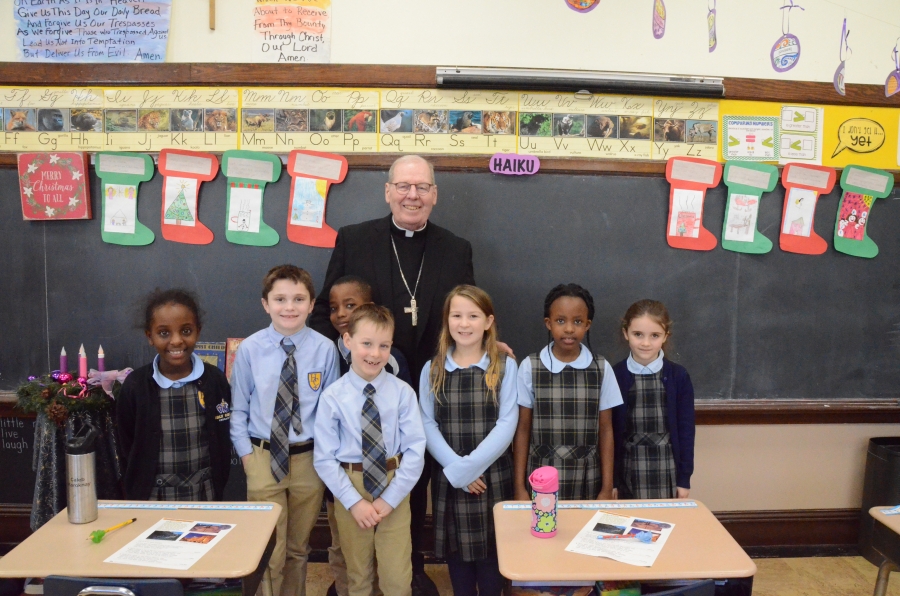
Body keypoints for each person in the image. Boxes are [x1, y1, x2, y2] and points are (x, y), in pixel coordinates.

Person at [310, 155, 475, 596]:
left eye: (422, 187)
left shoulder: (456, 248)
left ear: (434, 195)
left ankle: (411, 566)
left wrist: (485, 341)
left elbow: (465, 311)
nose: (412, 195)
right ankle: (356, 573)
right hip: (363, 383)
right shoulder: (354, 239)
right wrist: (338, 368)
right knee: (355, 473)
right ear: (387, 191)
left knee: (414, 471)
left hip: (430, 381)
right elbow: (329, 311)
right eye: (403, 186)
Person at [230, 265, 339, 596]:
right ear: (266, 304)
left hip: (309, 460)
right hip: (263, 457)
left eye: (298, 299)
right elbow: (239, 408)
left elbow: (330, 411)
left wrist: (325, 457)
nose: (289, 307)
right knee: (269, 551)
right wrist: (247, 457)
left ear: (311, 303)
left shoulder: (325, 349)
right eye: (280, 299)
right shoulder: (249, 349)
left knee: (297, 549)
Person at [314, 304, 426, 596]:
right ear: (348, 341)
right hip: (350, 485)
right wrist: (354, 502)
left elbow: (415, 450)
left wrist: (390, 498)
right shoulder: (332, 397)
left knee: (397, 577)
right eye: (366, 344)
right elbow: (324, 458)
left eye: (383, 346)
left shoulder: (403, 393)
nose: (375, 354)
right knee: (358, 576)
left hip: (394, 485)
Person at [419, 286, 517, 596]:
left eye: (473, 316)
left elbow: (507, 423)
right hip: (451, 476)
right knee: (457, 557)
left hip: (492, 476)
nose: (464, 324)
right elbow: (426, 423)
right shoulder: (432, 369)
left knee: (491, 558)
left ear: (488, 321)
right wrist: (458, 470)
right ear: (447, 320)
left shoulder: (504, 366)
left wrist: (472, 467)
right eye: (457, 315)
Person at [117, 288, 232, 501]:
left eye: (186, 331)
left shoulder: (214, 380)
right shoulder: (136, 386)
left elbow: (222, 437)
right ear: (149, 336)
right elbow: (126, 446)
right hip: (152, 496)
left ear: (198, 330)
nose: (177, 341)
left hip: (204, 492)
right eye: (164, 333)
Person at [513, 284, 622, 501]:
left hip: (587, 478)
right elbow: (523, 429)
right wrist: (519, 487)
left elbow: (606, 430)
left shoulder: (601, 368)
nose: (569, 329)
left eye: (578, 321)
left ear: (587, 325)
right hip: (540, 475)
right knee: (543, 532)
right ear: (548, 323)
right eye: (561, 321)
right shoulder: (529, 367)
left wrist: (607, 488)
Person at [612, 299, 695, 499]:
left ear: (665, 336)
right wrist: (612, 481)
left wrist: (684, 479)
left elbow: (686, 431)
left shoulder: (678, 376)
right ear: (626, 333)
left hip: (666, 467)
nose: (646, 343)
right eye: (638, 334)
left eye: (655, 335)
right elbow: (610, 433)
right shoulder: (616, 375)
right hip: (628, 468)